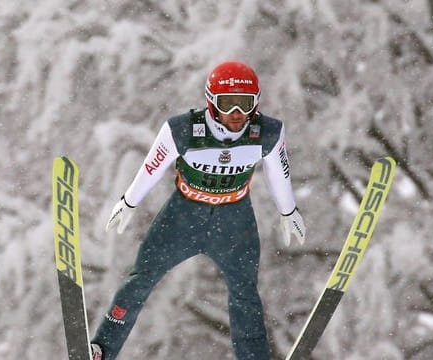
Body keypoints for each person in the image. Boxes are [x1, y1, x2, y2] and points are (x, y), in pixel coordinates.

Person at [90, 60, 306, 360]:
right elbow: (152, 166)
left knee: (245, 292)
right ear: (211, 102)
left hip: (234, 218)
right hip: (183, 215)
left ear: (255, 104)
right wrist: (129, 202)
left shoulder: (266, 133)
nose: (236, 114)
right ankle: (102, 348)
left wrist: (287, 210)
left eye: (244, 105)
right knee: (140, 278)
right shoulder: (183, 130)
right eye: (227, 104)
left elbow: (279, 172)